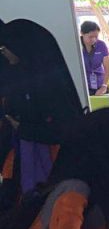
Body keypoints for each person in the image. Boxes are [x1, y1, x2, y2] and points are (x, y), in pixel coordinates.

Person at [0, 20, 84, 209]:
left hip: (55, 167)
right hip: (23, 159)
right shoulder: (21, 77)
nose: (4, 55)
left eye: (4, 49)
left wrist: (23, 128)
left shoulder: (50, 87)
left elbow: (61, 129)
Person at [80, 21, 109, 96]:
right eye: (90, 37)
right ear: (82, 33)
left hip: (100, 85)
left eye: (96, 37)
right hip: (83, 87)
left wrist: (104, 86)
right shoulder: (76, 45)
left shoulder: (101, 45)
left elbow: (107, 68)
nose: (93, 39)